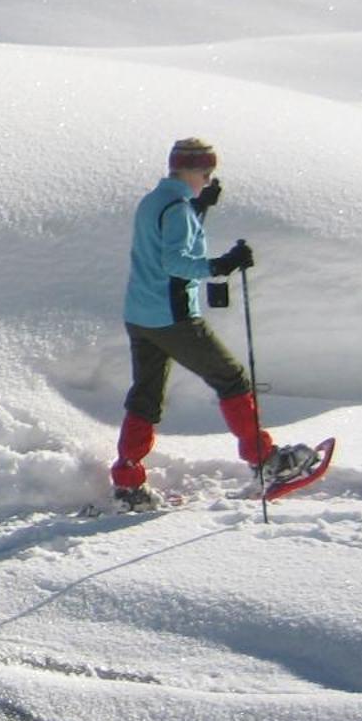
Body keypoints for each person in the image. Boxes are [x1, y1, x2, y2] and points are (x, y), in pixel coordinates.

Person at [111, 138, 317, 510]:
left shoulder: (155, 202)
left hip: (140, 315)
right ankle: (266, 462)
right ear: (188, 170)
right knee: (231, 378)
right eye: (206, 173)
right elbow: (175, 261)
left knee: (146, 395)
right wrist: (218, 266)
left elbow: (166, 242)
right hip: (173, 317)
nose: (208, 180)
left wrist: (199, 210)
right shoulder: (176, 208)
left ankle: (128, 481)